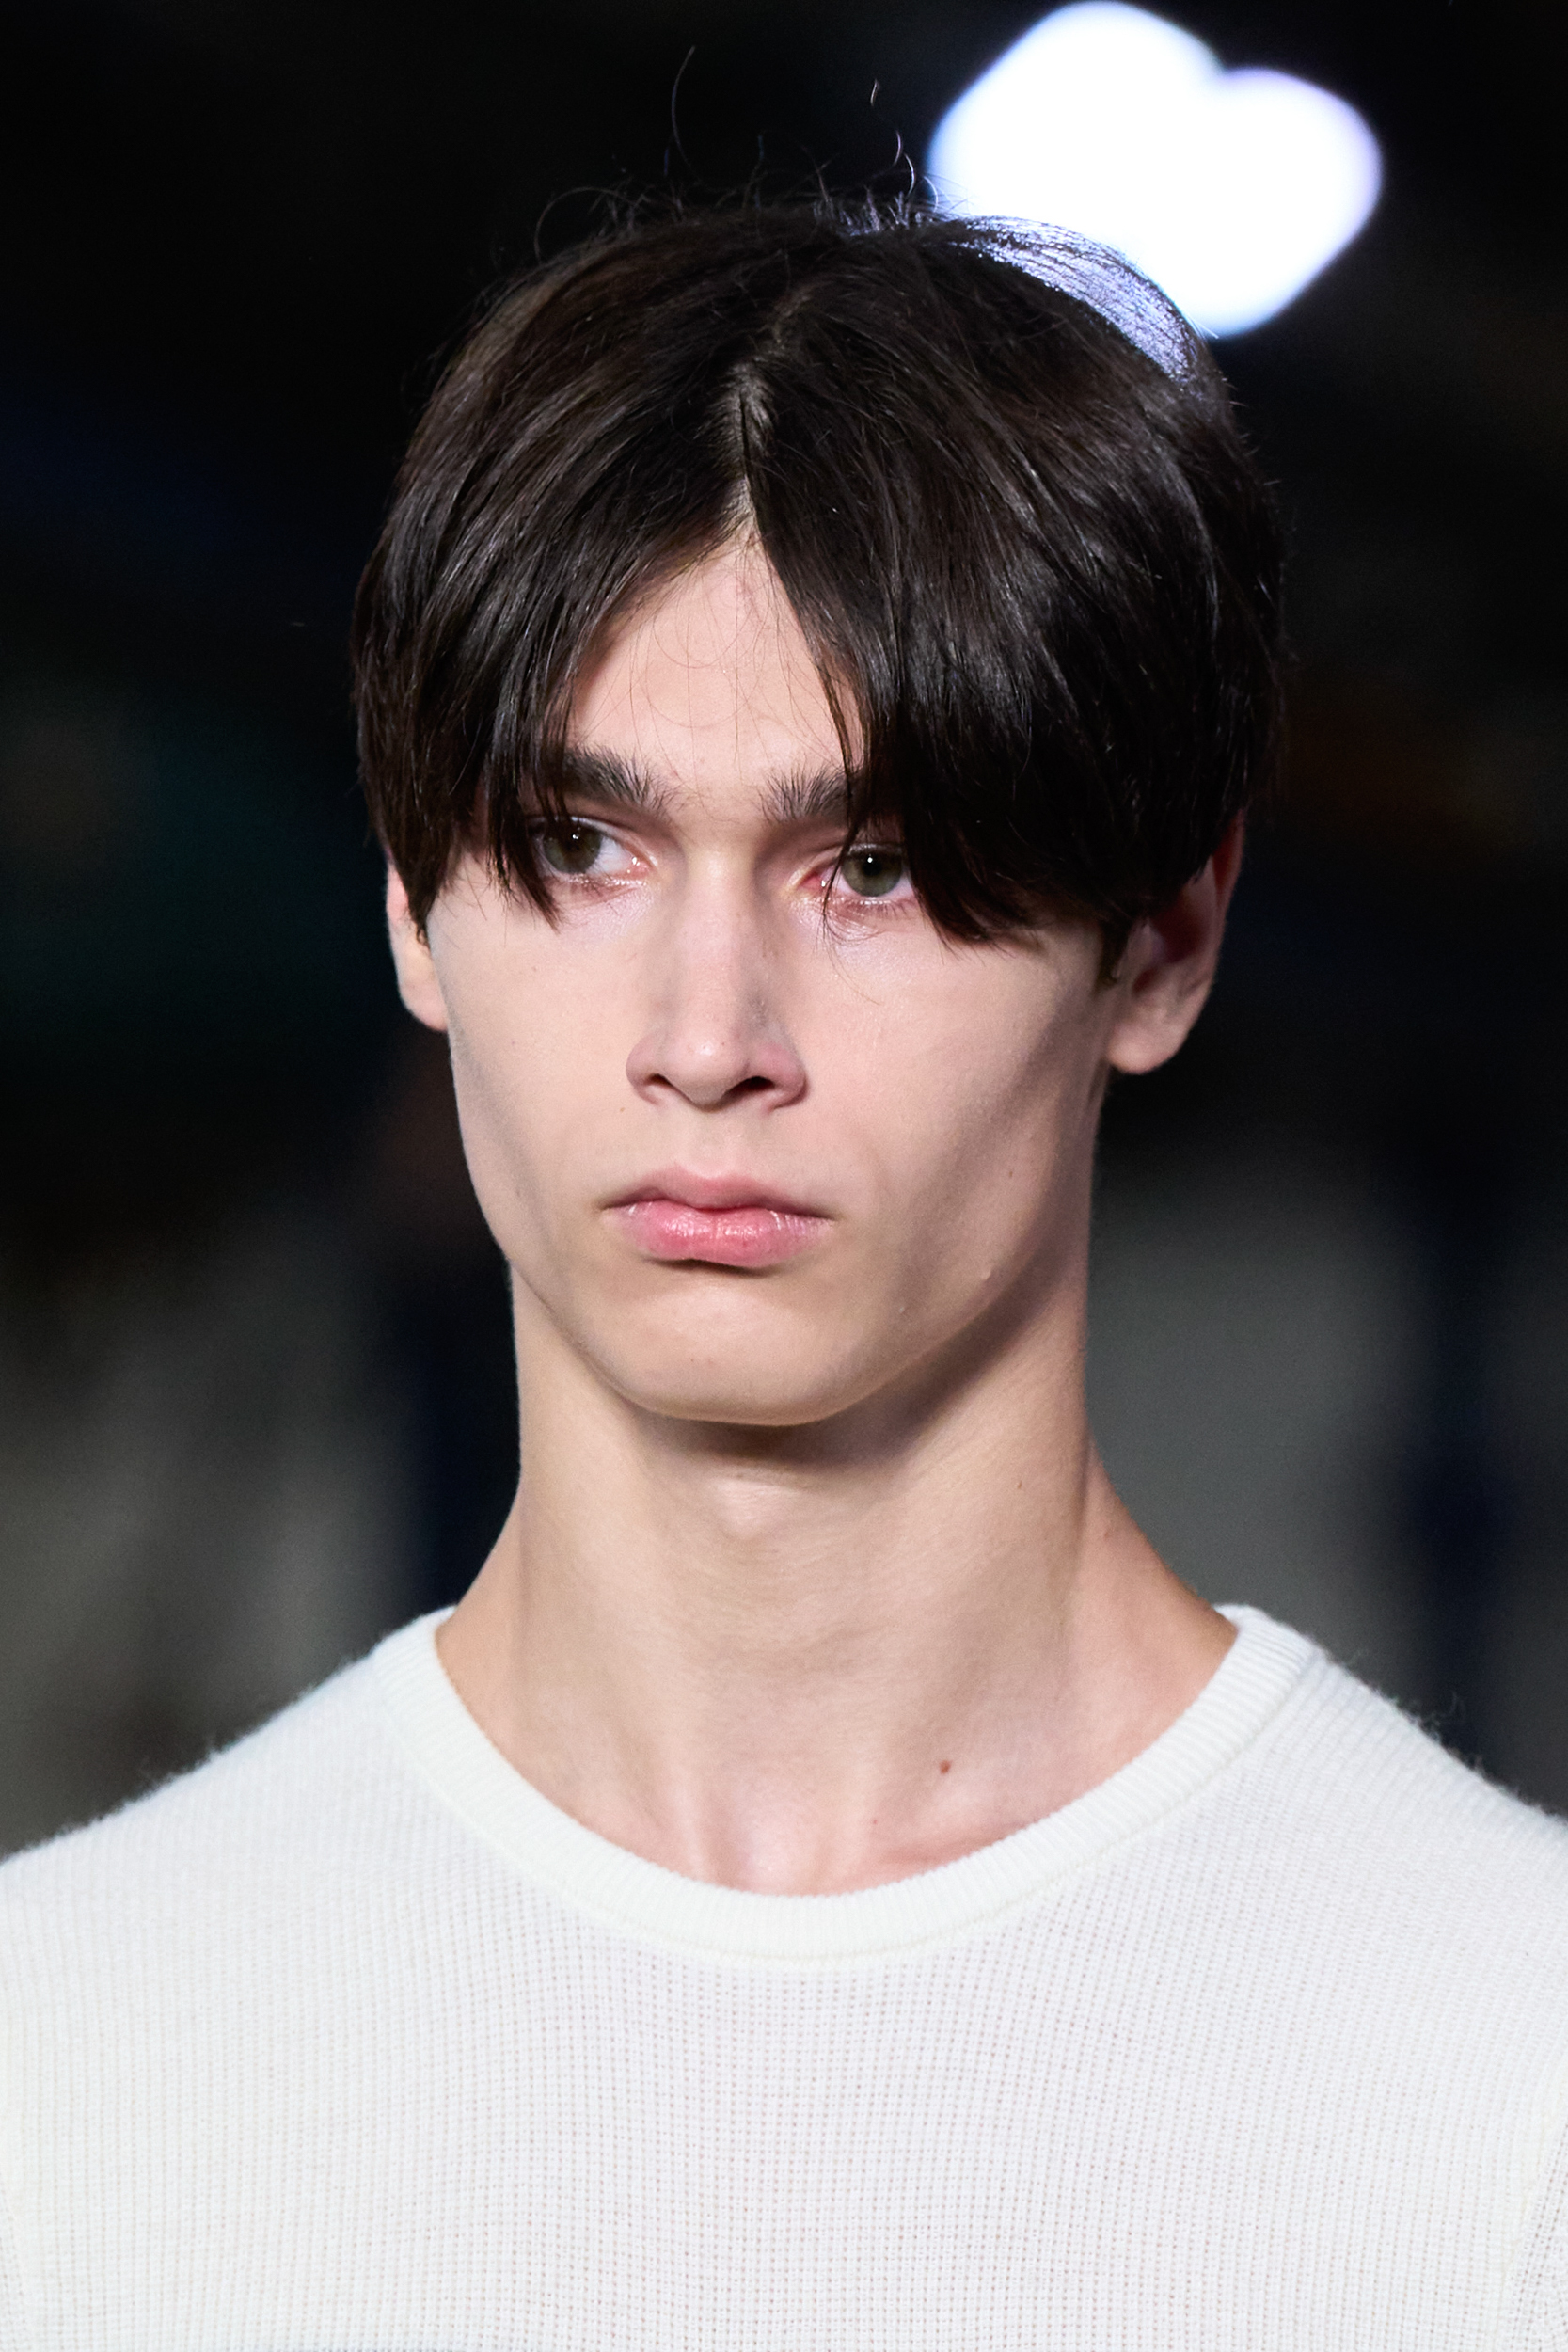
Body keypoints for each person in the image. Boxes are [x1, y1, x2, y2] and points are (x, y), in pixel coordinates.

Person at [2, 199, 1566, 2352]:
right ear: (411, 904)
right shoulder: (68, 2071)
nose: (709, 1031)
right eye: (580, 847)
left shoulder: (1506, 2085)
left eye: (877, 865)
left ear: (1164, 938)